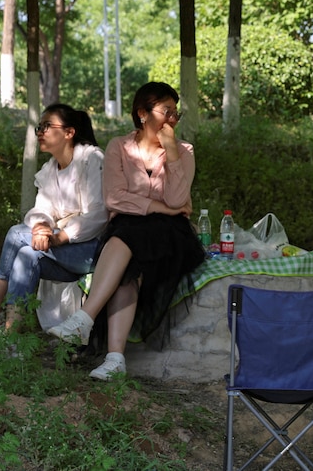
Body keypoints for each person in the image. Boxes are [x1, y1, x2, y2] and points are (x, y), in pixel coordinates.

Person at [47, 82, 205, 380]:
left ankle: (84, 319)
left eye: (176, 112)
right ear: (143, 113)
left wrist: (171, 152)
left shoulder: (184, 151)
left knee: (126, 237)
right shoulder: (119, 146)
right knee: (127, 265)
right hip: (131, 226)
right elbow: (114, 198)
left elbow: (175, 198)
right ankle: (115, 359)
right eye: (166, 111)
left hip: (170, 233)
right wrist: (161, 207)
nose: (173, 119)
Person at [0, 104, 108, 339]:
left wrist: (58, 237)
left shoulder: (91, 159)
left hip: (92, 251)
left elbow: (98, 215)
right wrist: (41, 227)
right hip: (60, 252)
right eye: (39, 127)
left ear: (69, 132)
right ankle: (10, 338)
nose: (40, 132)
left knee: (16, 234)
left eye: (47, 126)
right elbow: (40, 210)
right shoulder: (49, 169)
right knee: (26, 256)